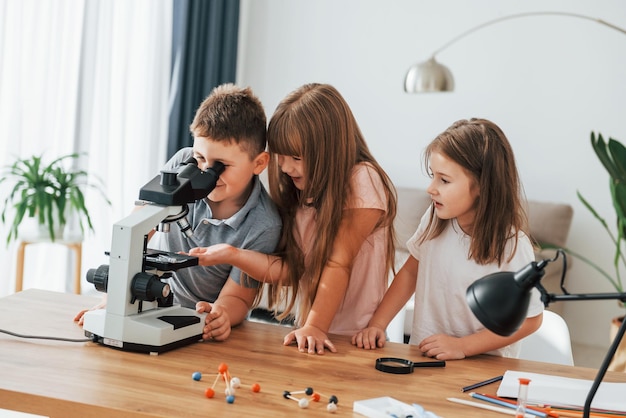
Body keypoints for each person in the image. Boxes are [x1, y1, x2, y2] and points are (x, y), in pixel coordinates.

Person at [187, 83, 397, 354]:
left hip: (354, 339)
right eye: (281, 156)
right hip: (311, 337)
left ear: (328, 152)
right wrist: (232, 254)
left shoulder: (363, 180)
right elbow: (289, 270)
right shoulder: (303, 195)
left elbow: (338, 262)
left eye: (296, 157)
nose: (285, 167)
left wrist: (317, 327)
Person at [74, 83, 282, 341]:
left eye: (221, 166)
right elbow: (138, 226)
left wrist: (222, 315)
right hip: (148, 300)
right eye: (200, 159)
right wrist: (114, 300)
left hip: (199, 320)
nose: (206, 172)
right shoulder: (184, 163)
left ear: (259, 163)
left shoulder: (263, 224)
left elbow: (238, 295)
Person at [351, 118, 543, 360]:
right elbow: (410, 273)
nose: (431, 188)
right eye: (433, 176)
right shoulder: (434, 218)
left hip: (484, 369)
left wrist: (463, 346)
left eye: (444, 180)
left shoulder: (512, 245)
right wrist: (377, 324)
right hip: (425, 357)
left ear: (482, 185)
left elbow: (531, 319)